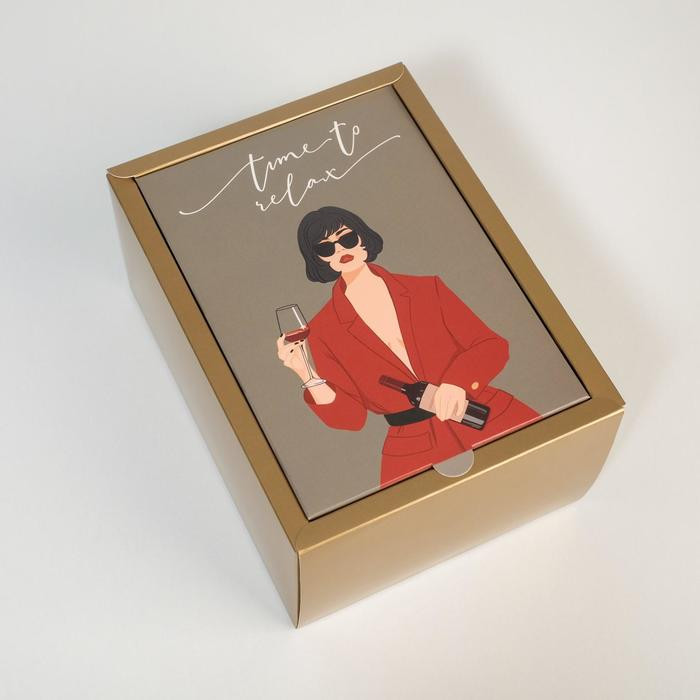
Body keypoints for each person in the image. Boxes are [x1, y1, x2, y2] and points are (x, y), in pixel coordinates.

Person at [276, 206, 541, 488]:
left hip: (485, 412)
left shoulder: (426, 289)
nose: (340, 249)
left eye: (347, 238)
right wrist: (307, 374)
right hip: (412, 449)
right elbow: (351, 418)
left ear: (362, 238)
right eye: (326, 247)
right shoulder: (323, 330)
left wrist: (457, 384)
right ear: (318, 259)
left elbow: (491, 346)